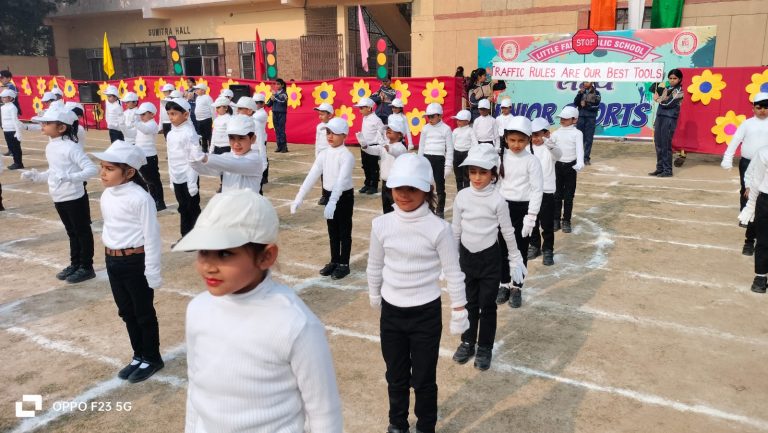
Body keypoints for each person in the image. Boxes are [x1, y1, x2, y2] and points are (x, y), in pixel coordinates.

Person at [173, 189, 343, 432]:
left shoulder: (294, 324)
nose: (209, 266)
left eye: (224, 253)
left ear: (266, 256)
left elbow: (324, 413)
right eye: (203, 251)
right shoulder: (197, 309)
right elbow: (196, 388)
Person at [367, 153, 469, 433]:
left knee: (424, 378)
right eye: (398, 188)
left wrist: (459, 308)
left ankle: (426, 425)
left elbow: (454, 272)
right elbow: (375, 264)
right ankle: (397, 422)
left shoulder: (439, 229)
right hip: (392, 313)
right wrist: (374, 294)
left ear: (427, 190)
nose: (404, 195)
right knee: (395, 374)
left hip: (426, 314)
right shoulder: (381, 225)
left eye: (412, 188)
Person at [90, 140, 164, 382]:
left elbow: (152, 236)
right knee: (126, 311)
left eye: (109, 168)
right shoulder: (107, 195)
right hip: (113, 261)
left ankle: (152, 357)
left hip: (135, 262)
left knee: (143, 313)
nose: (102, 173)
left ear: (129, 172)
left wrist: (152, 271)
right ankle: (138, 355)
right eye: (102, 167)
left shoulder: (140, 198)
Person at [451, 144, 525, 370]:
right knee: (469, 303)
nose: (477, 177)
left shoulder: (498, 200)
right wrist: (450, 260)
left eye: (483, 172)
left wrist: (515, 258)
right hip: (466, 258)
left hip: (490, 260)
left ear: (493, 173)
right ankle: (467, 341)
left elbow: (508, 231)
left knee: (487, 305)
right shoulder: (462, 196)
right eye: (472, 172)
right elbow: (455, 230)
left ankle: (485, 347)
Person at [20, 109, 98, 283]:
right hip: (59, 196)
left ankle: (87, 267)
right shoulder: (51, 146)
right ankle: (75, 264)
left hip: (74, 197)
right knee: (71, 232)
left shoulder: (71, 147)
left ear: (62, 127)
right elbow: (54, 172)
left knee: (82, 232)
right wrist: (37, 177)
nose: (43, 125)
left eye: (47, 123)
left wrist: (69, 177)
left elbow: (92, 169)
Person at [291, 117, 355, 280]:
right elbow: (312, 174)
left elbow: (341, 181)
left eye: (334, 133)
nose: (330, 136)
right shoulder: (324, 154)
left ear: (344, 135)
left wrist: (333, 201)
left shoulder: (346, 156)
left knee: (344, 231)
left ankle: (344, 264)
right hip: (329, 195)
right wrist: (299, 196)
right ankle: (334, 260)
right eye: (328, 132)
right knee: (332, 231)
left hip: (343, 196)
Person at [495, 116, 543, 309]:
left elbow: (537, 190)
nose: (516, 144)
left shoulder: (532, 161)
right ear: (506, 139)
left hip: (523, 210)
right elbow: (497, 184)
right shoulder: (500, 158)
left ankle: (517, 287)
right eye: (512, 140)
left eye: (521, 140)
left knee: (520, 250)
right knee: (502, 249)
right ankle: (504, 283)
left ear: (528, 139)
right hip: (503, 209)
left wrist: (531, 217)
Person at [720, 92, 768, 256]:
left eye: (766, 107)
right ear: (753, 108)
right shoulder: (747, 124)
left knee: (762, 195)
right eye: (759, 107)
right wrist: (728, 157)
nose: (763, 110)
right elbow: (735, 140)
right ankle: (746, 216)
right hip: (748, 163)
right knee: (747, 190)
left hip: (766, 165)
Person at [188, 114, 264, 194]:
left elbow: (234, 164)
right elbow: (209, 170)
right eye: (232, 138)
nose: (236, 144)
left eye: (241, 138)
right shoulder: (227, 156)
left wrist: (204, 157)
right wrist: (193, 161)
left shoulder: (255, 159)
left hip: (248, 202)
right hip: (227, 200)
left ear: (253, 139)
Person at [165, 97, 201, 238]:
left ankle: (197, 237)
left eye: (174, 114)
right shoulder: (170, 134)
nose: (170, 117)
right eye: (169, 114)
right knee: (182, 208)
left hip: (188, 177)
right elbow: (170, 158)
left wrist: (192, 183)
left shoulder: (189, 133)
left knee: (192, 207)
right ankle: (185, 236)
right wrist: (172, 179)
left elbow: (194, 159)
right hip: (177, 177)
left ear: (185, 114)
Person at [529, 117, 561, 266]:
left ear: (546, 134)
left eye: (538, 135)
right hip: (530, 191)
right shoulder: (527, 148)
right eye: (532, 135)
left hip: (546, 191)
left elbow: (558, 155)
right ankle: (534, 245)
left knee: (547, 224)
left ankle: (548, 249)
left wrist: (549, 143)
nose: (535, 138)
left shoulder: (550, 148)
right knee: (532, 221)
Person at [362, 117, 408, 213]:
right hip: (385, 183)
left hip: (396, 184)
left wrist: (384, 145)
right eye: (388, 128)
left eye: (392, 129)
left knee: (396, 210)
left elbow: (393, 151)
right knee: (386, 209)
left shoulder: (401, 148)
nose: (388, 130)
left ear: (400, 134)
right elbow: (372, 150)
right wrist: (364, 145)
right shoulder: (384, 146)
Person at [551, 106, 584, 234]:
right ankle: (556, 219)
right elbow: (550, 147)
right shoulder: (556, 133)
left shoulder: (577, 133)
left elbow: (579, 149)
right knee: (556, 195)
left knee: (569, 196)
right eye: (561, 118)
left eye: (566, 118)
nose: (562, 120)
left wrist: (580, 162)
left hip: (571, 167)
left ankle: (566, 220)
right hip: (557, 166)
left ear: (574, 120)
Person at [739, 146, 768, 293]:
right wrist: (750, 206)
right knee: (763, 240)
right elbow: (757, 181)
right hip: (765, 200)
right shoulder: (764, 152)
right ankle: (760, 277)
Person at [418, 103, 453, 218]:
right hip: (426, 158)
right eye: (428, 116)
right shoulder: (425, 128)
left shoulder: (446, 129)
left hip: (439, 159)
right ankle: (428, 208)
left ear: (440, 115)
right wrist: (419, 161)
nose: (430, 119)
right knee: (426, 185)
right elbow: (421, 146)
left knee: (440, 187)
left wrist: (448, 165)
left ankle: (440, 210)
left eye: (432, 116)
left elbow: (450, 148)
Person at [649, 69, 684, 178]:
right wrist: (658, 79)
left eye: (675, 78)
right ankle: (660, 168)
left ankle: (667, 170)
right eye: (670, 78)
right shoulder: (667, 88)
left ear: (680, 79)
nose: (672, 80)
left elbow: (668, 103)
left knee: (665, 145)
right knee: (658, 144)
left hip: (669, 119)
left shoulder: (679, 91)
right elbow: (652, 89)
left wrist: (658, 100)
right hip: (660, 117)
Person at [134, 102, 167, 211]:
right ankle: (153, 200)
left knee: (154, 180)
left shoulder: (152, 124)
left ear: (152, 114)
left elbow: (146, 130)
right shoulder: (141, 124)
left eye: (144, 114)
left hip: (150, 157)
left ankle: (160, 202)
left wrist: (135, 122)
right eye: (140, 114)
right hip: (141, 156)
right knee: (148, 180)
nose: (141, 116)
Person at [355, 96, 384, 195]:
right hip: (364, 146)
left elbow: (382, 132)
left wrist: (380, 144)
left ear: (369, 108)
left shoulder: (376, 120)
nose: (360, 110)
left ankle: (374, 185)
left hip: (373, 146)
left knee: (373, 166)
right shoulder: (365, 118)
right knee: (365, 165)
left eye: (361, 108)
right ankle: (367, 184)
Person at [573, 82, 600, 165]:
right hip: (581, 117)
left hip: (591, 118)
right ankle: (578, 158)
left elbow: (596, 106)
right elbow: (575, 103)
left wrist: (587, 105)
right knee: (579, 137)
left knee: (588, 139)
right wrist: (579, 94)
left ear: (591, 82)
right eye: (584, 81)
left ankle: (586, 158)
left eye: (587, 82)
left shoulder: (597, 93)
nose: (585, 83)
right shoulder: (581, 92)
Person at [313, 102, 334, 205]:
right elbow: (317, 141)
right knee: (323, 176)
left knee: (332, 176)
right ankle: (325, 195)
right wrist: (317, 154)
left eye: (322, 114)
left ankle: (333, 195)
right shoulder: (319, 126)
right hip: (322, 155)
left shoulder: (334, 126)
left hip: (331, 155)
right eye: (319, 114)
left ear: (329, 115)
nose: (320, 116)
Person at [451, 109, 477, 191]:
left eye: (460, 120)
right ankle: (459, 191)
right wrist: (450, 156)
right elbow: (452, 144)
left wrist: (472, 154)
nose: (458, 122)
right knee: (458, 175)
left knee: (466, 175)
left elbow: (475, 143)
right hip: (456, 154)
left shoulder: (470, 131)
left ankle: (466, 191)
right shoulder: (455, 131)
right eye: (457, 120)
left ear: (467, 121)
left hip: (467, 154)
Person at [1, 89, 24, 169]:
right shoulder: (3, 107)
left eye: (5, 97)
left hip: (12, 130)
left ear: (10, 98)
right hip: (6, 130)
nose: (3, 99)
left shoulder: (12, 107)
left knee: (15, 147)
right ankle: (15, 162)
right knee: (11, 147)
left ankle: (19, 163)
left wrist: (18, 132)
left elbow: (15, 120)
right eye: (2, 97)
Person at [251, 94, 270, 192]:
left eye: (259, 103)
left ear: (263, 104)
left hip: (261, 138)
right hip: (253, 139)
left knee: (263, 156)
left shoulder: (262, 114)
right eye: (255, 102)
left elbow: (251, 118)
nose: (257, 104)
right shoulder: (253, 112)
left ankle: (264, 176)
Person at [267, 78, 289, 153]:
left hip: (281, 113)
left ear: (282, 85)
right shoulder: (275, 94)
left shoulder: (284, 94)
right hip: (274, 113)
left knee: (281, 130)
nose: (276, 85)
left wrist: (275, 97)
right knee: (276, 130)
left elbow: (283, 102)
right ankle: (279, 146)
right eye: (275, 84)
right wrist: (272, 98)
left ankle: (284, 147)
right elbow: (268, 104)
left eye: (278, 84)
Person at [193, 84, 214, 153]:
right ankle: (204, 149)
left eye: (198, 89)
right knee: (202, 135)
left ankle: (211, 149)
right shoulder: (197, 98)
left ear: (203, 90)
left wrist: (214, 119)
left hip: (206, 119)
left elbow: (212, 109)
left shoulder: (207, 98)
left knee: (208, 134)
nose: (196, 90)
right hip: (199, 119)